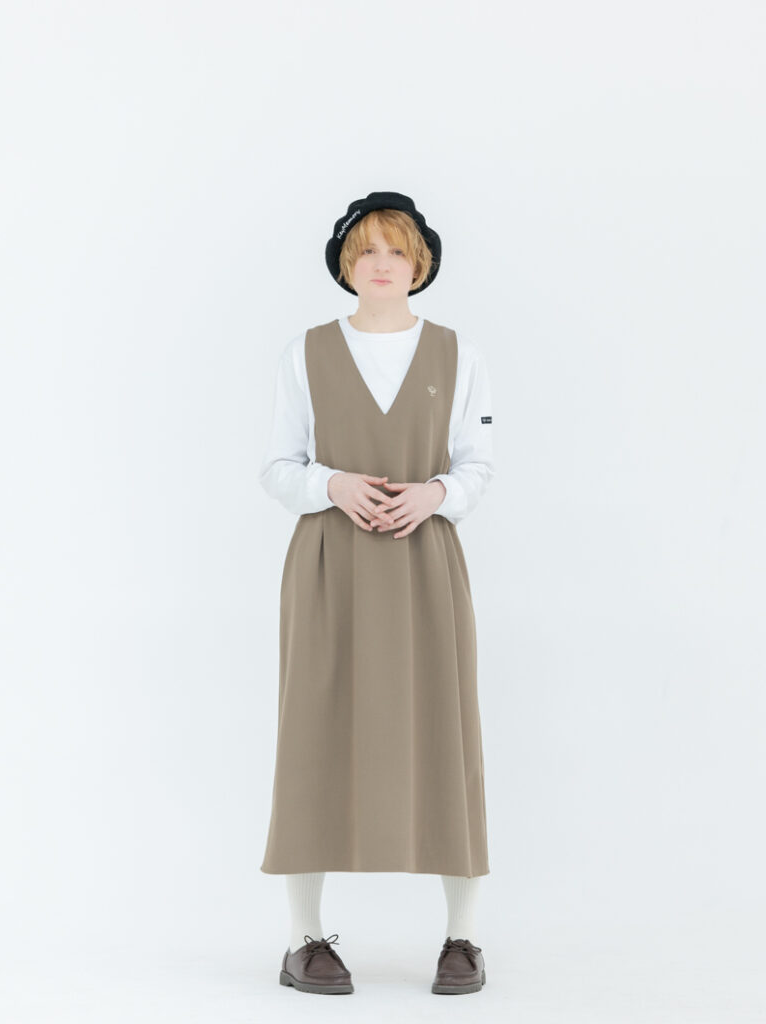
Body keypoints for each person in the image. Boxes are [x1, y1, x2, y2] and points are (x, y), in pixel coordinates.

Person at [258, 192, 495, 995]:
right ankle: (303, 940)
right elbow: (278, 466)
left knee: (446, 734)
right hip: (330, 566)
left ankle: (463, 939)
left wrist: (437, 494)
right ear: (345, 265)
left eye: (396, 250)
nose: (381, 264)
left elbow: (478, 464)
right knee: (314, 735)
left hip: (425, 562)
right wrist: (331, 484)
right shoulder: (306, 353)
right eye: (365, 251)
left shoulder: (458, 354)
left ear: (419, 264)